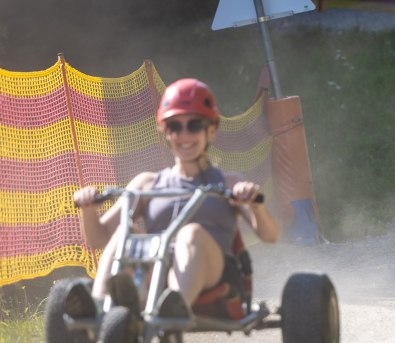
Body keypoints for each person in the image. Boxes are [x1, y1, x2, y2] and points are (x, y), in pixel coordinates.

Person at [69, 78, 279, 321]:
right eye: (175, 127)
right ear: (165, 132)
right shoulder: (147, 184)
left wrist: (255, 205)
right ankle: (98, 304)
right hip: (156, 270)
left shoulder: (229, 184)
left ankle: (173, 306)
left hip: (213, 272)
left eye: (194, 125)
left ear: (211, 130)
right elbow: (98, 239)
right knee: (124, 233)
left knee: (191, 233)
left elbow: (270, 235)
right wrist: (87, 209)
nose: (184, 134)